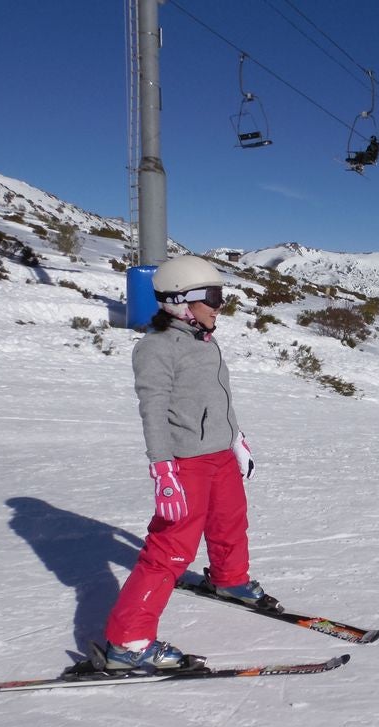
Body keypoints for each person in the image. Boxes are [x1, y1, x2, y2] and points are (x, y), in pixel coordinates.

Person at [101, 255, 278, 670]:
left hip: (219, 454)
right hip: (186, 462)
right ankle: (127, 642)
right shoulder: (156, 348)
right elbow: (153, 410)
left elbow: (219, 398)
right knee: (170, 549)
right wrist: (162, 469)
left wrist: (236, 438)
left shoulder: (206, 341)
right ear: (182, 301)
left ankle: (229, 579)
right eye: (212, 297)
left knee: (230, 521)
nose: (219, 307)